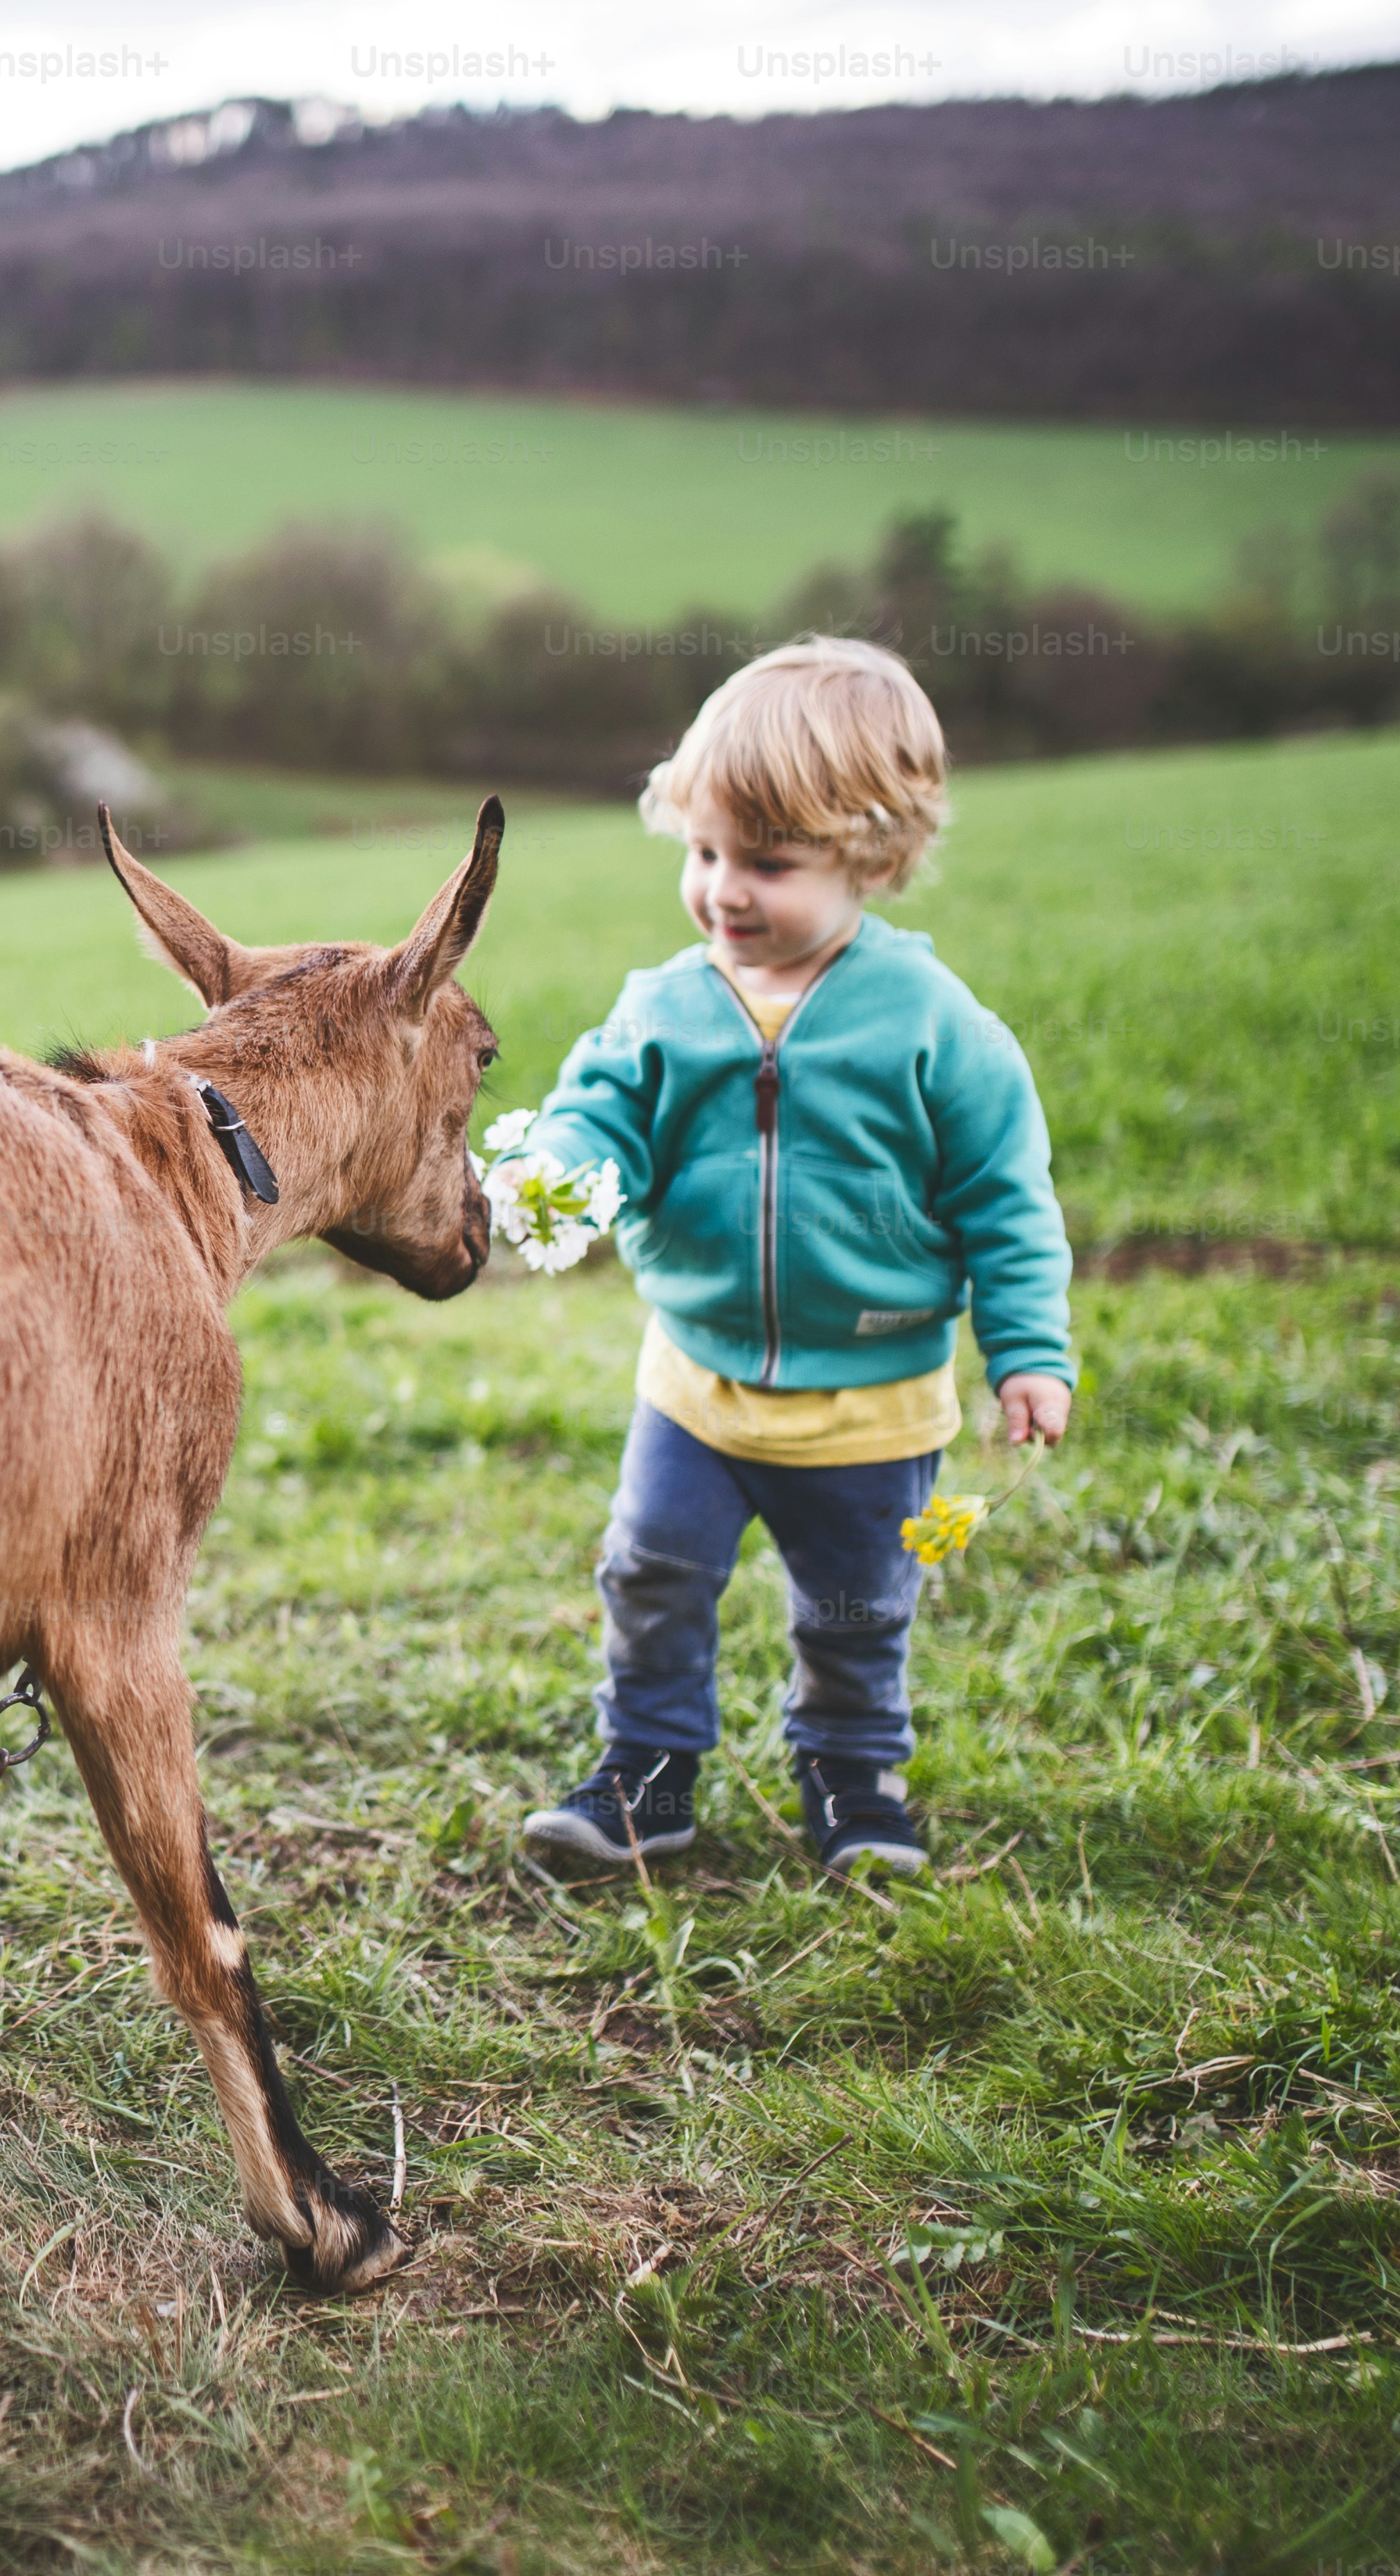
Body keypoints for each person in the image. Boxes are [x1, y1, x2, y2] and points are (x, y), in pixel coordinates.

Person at [513, 637, 1075, 1879]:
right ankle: (644, 1780)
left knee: (857, 1610)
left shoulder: (934, 1027)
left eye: (764, 863)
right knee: (650, 1578)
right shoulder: (660, 1007)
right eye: (703, 853)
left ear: (871, 854)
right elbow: (594, 1112)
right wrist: (565, 1174)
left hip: (874, 1406)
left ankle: (852, 1780)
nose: (722, 890)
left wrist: (1028, 1350)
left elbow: (1005, 1198)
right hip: (696, 1389)